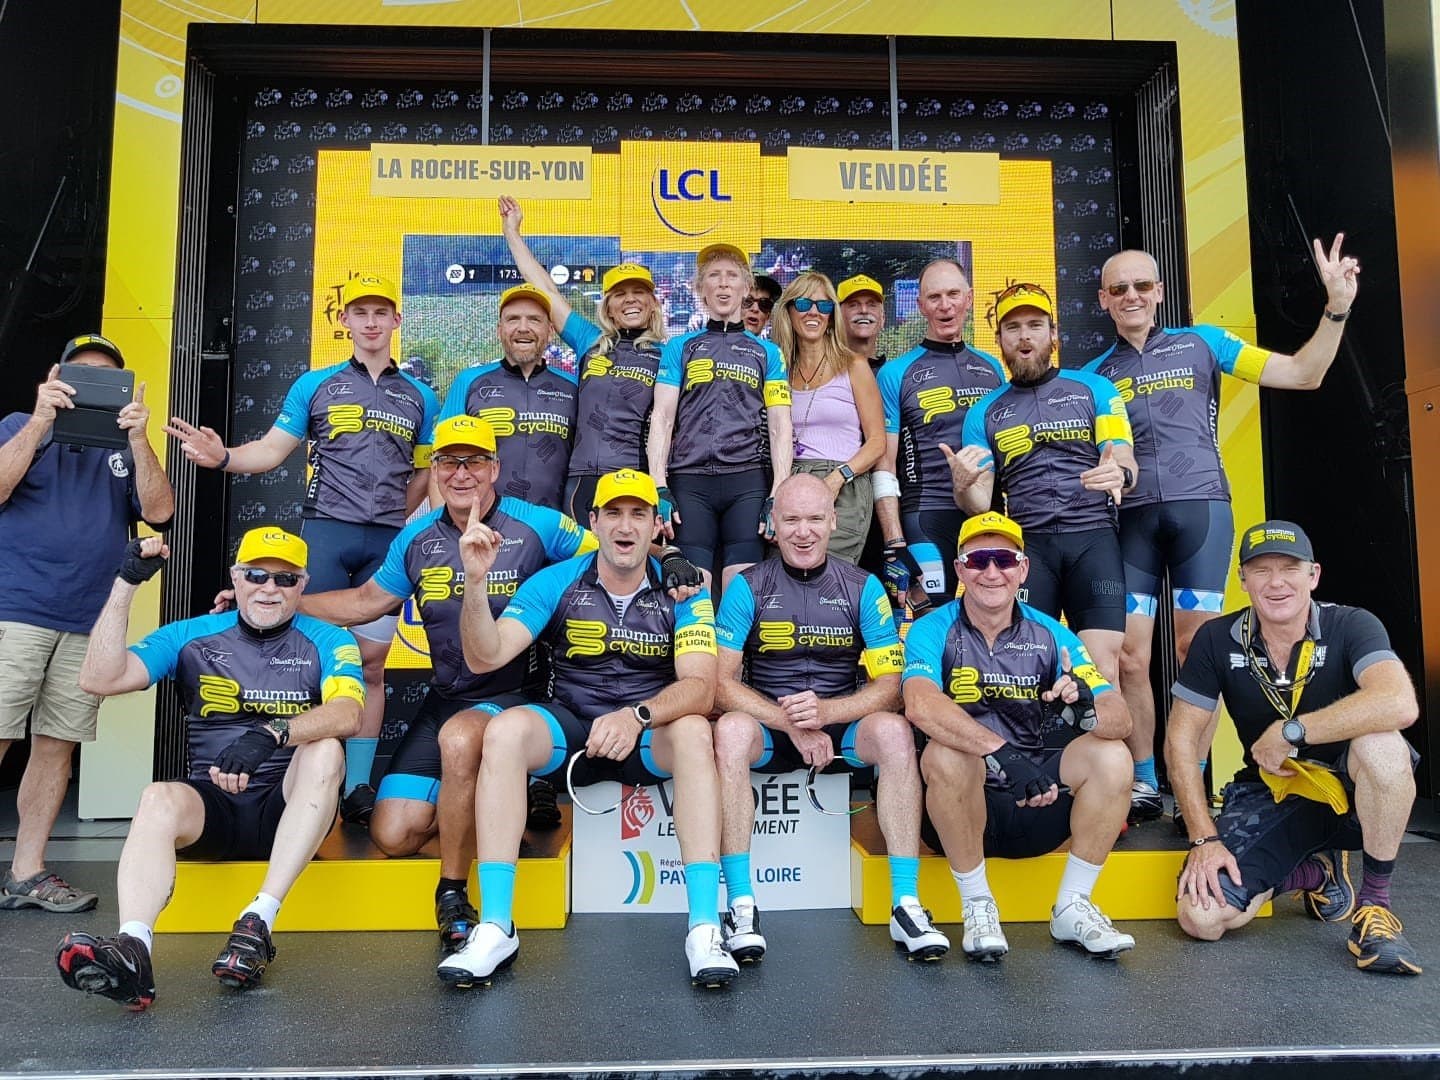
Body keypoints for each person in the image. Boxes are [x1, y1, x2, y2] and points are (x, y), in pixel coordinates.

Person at [1083, 238, 1359, 822]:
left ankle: (1193, 785)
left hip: (1200, 513)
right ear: (1103, 300)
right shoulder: (1090, 377)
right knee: (1130, 657)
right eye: (1119, 288)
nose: (1132, 295)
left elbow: (1303, 374)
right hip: (1130, 522)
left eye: (1143, 285)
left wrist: (1335, 308)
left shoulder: (1203, 343)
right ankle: (1140, 782)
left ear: (1159, 292)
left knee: (1195, 651)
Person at [297, 415, 595, 953]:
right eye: (449, 462)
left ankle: (454, 891)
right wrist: (285, 601)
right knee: (392, 834)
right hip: (445, 697)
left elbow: (607, 557)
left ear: (495, 469)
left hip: (517, 698)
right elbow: (368, 601)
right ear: (434, 470)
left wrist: (667, 564)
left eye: (475, 461)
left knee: (461, 741)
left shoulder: (538, 526)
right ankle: (498, 816)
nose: (462, 474)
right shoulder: (416, 538)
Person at [446, 469, 737, 988]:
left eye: (639, 514)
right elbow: (484, 656)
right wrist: (474, 581)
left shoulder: (684, 588)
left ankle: (704, 926)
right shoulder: (556, 579)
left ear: (655, 527)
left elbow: (701, 686)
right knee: (505, 732)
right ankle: (496, 925)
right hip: (574, 725)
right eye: (615, 514)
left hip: (647, 732)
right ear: (594, 521)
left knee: (695, 729)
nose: (626, 527)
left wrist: (638, 714)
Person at [166, 273, 437, 827]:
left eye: (381, 312)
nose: (370, 321)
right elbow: (269, 451)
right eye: (360, 311)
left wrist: (401, 523)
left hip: (386, 541)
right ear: (345, 321)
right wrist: (222, 458)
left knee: (373, 666)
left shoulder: (421, 395)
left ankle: (356, 787)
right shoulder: (315, 384)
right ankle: (306, 780)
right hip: (327, 535)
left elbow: (425, 473)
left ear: (396, 322)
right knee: (309, 658)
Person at [56, 528, 364, 1009]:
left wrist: (270, 734)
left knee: (326, 748)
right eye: (257, 574)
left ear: (303, 585)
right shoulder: (190, 635)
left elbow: (349, 713)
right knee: (157, 796)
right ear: (235, 578)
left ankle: (258, 922)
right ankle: (133, 950)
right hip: (213, 806)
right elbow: (98, 678)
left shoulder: (329, 640)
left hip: (289, 810)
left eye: (285, 579)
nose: (269, 588)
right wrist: (125, 583)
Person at [1167, 521, 1422, 974]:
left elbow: (1399, 702)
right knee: (1201, 917)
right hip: (1275, 789)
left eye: (1290, 568)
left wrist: (1292, 731)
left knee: (1383, 746)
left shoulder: (1352, 624)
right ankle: (1315, 874)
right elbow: (1181, 742)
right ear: (1243, 580)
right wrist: (1203, 837)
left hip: (1352, 789)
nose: (1276, 582)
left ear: (1314, 575)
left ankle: (1375, 906)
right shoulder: (1215, 638)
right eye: (1261, 570)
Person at [713, 474, 948, 963]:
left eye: (815, 519)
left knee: (895, 731)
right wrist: (790, 721)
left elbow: (891, 688)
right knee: (730, 730)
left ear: (834, 521)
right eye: (792, 520)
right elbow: (719, 683)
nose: (804, 532)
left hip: (841, 723)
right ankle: (738, 902)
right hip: (772, 725)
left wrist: (827, 714)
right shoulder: (746, 587)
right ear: (772, 525)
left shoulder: (864, 587)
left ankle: (905, 902)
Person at [904, 511, 1136, 962]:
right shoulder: (932, 628)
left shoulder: (1052, 632)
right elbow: (920, 703)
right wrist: (1003, 754)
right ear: (959, 571)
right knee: (946, 755)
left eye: (1005, 560)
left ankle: (1073, 905)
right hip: (961, 810)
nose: (992, 571)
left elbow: (1119, 716)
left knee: (1112, 756)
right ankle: (977, 906)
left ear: (1023, 569)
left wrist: (1085, 710)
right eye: (978, 560)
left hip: (1038, 800)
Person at [0, 335, 173, 914]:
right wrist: (42, 418)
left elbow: (159, 510)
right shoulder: (21, 423)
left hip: (87, 616)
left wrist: (138, 437)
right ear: (58, 376)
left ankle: (27, 873)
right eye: (81, 374)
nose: (91, 384)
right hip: (15, 607)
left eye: (106, 377)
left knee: (57, 747)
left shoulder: (122, 446)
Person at [950, 283, 1137, 686]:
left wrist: (1119, 473)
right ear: (999, 339)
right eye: (1013, 327)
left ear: (1053, 334)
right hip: (1030, 547)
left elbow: (1122, 452)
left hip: (1093, 540)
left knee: (1102, 667)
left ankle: (1124, 754)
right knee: (1024, 666)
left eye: (1035, 325)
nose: (1025, 336)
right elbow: (980, 503)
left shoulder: (1095, 388)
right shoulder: (984, 412)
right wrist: (963, 485)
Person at [497, 196, 666, 521]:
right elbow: (545, 289)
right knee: (579, 567)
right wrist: (512, 233)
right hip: (581, 480)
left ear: (653, 303)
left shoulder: (669, 355)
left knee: (626, 566)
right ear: (608, 307)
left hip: (633, 479)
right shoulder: (590, 341)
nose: (630, 299)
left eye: (638, 292)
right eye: (619, 293)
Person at [647, 243, 793, 592]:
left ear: (746, 289)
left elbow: (780, 427)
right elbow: (663, 418)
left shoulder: (767, 352)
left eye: (732, 277)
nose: (723, 285)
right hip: (690, 481)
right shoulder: (680, 347)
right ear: (701, 289)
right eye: (714, 276)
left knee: (740, 591)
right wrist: (659, 486)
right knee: (690, 588)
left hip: (747, 480)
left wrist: (779, 491)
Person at [876, 259, 1005, 611]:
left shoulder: (993, 368)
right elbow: (884, 464)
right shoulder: (895, 373)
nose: (945, 305)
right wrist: (893, 542)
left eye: (953, 294)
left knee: (992, 620)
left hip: (987, 513)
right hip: (927, 515)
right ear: (920, 306)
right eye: (934, 297)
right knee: (931, 618)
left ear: (970, 299)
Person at [771, 272, 885, 565]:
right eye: (805, 303)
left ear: (832, 316)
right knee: (785, 579)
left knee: (832, 577)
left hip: (842, 481)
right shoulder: (777, 368)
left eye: (823, 306)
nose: (814, 313)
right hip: (787, 478)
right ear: (789, 311)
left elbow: (877, 442)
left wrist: (838, 478)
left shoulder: (854, 365)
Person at [439, 282, 579, 511]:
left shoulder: (573, 387)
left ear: (551, 332)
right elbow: (441, 458)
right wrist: (447, 535)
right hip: (486, 530)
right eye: (513, 319)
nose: (523, 327)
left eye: (534, 319)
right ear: (499, 330)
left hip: (554, 533)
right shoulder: (469, 382)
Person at [837, 273, 888, 373]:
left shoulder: (896, 375)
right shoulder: (825, 374)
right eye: (853, 305)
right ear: (838, 318)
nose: (864, 310)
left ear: (883, 319)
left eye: (871, 305)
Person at [742, 275, 782, 339]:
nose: (755, 309)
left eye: (764, 304)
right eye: (747, 301)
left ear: (767, 318)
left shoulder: (772, 349)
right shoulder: (720, 345)